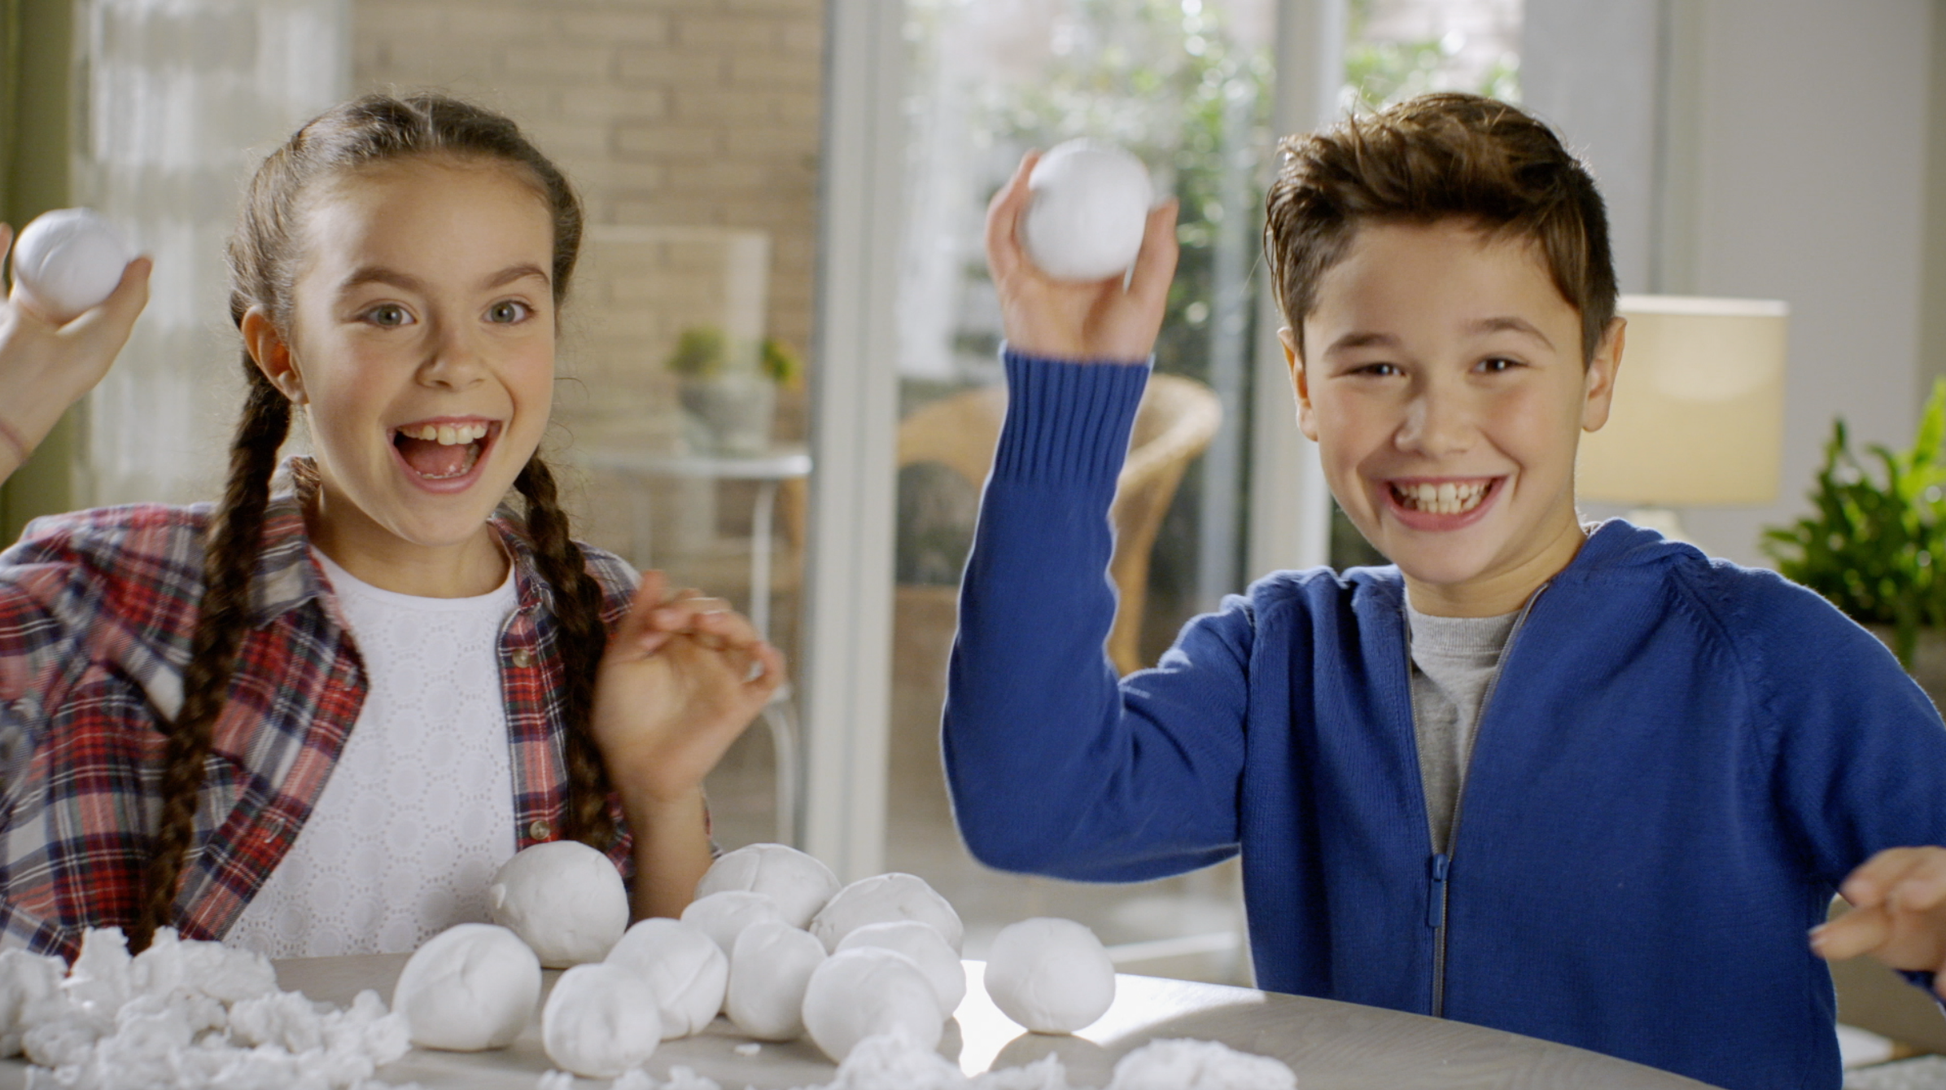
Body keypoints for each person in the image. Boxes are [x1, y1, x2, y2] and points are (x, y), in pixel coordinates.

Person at [944, 92, 1946, 1090]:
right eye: (1374, 366)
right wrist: (1064, 400)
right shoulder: (1276, 661)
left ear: (1597, 371)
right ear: (1301, 384)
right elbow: (1032, 805)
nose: (1432, 424)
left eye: (1496, 361)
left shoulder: (1767, 660)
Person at [0, 93, 783, 961]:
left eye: (507, 310)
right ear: (282, 354)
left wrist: (661, 795)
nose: (456, 362)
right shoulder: (107, 591)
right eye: (387, 313)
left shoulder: (604, 624)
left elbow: (666, 1010)